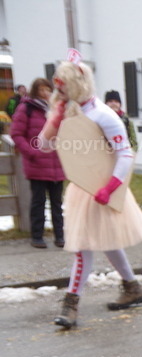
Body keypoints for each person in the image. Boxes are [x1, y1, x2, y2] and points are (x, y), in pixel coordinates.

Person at [38, 52, 142, 329]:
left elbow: (125, 153)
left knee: (83, 248)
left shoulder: (103, 114)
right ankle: (132, 287)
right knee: (107, 242)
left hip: (104, 187)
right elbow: (44, 146)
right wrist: (55, 120)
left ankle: (70, 305)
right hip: (82, 188)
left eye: (64, 87)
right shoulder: (70, 112)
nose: (60, 92)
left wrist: (111, 187)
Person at [10, 77, 65, 249]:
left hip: (57, 164)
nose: (45, 93)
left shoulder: (57, 110)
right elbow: (16, 134)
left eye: (48, 90)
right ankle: (37, 236)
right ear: (35, 91)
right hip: (37, 164)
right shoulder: (26, 109)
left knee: (57, 203)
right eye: (42, 90)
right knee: (38, 202)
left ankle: (60, 236)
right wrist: (31, 152)